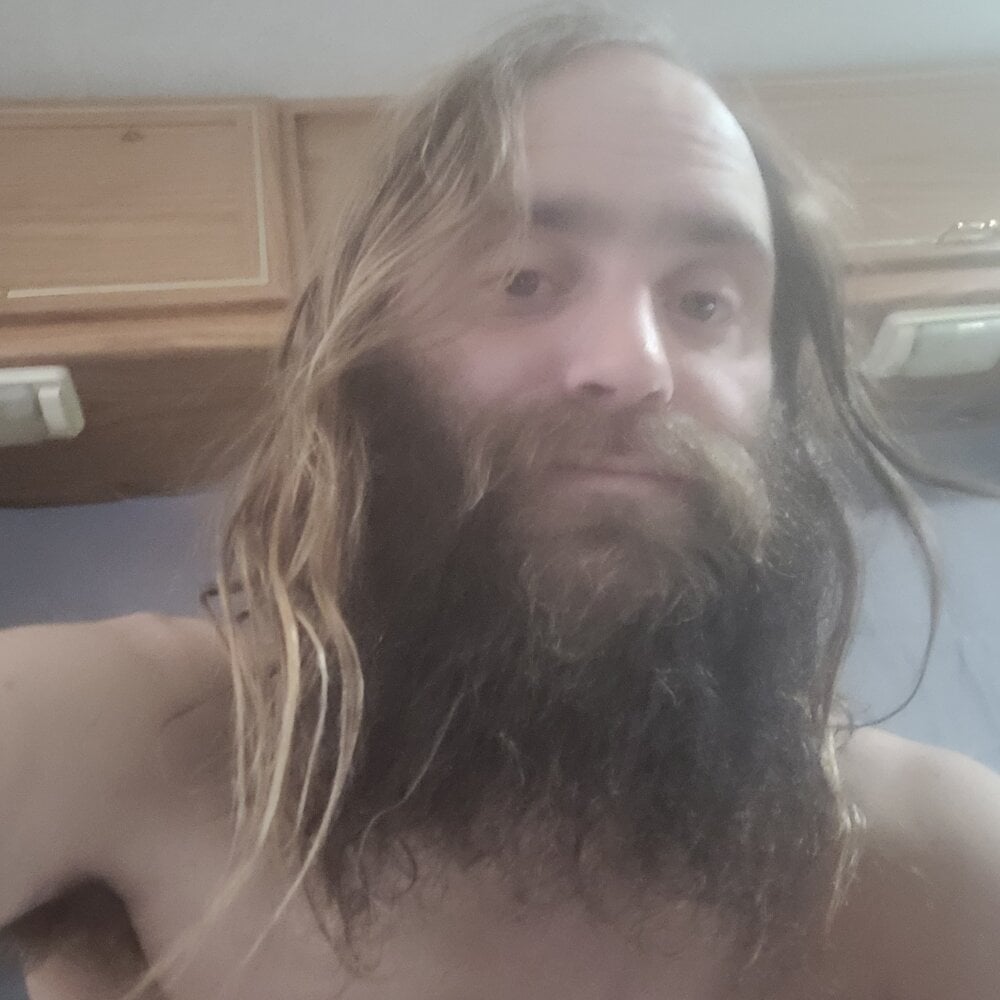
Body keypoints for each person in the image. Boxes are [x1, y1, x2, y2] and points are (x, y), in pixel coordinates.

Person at [4, 11, 1000, 1000]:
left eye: (704, 303)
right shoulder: (110, 735)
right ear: (366, 354)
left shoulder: (936, 860)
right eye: (526, 280)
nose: (635, 365)